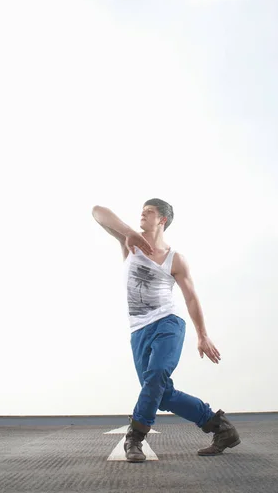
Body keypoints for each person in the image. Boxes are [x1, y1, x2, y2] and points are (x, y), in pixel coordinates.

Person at [92, 198, 240, 462]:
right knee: (161, 394)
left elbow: (191, 297)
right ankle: (220, 428)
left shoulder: (175, 258)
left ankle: (134, 438)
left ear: (162, 220)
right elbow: (97, 212)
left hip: (168, 323)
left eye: (149, 212)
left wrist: (202, 334)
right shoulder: (130, 245)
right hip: (138, 330)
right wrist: (129, 233)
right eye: (142, 211)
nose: (142, 215)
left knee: (157, 374)